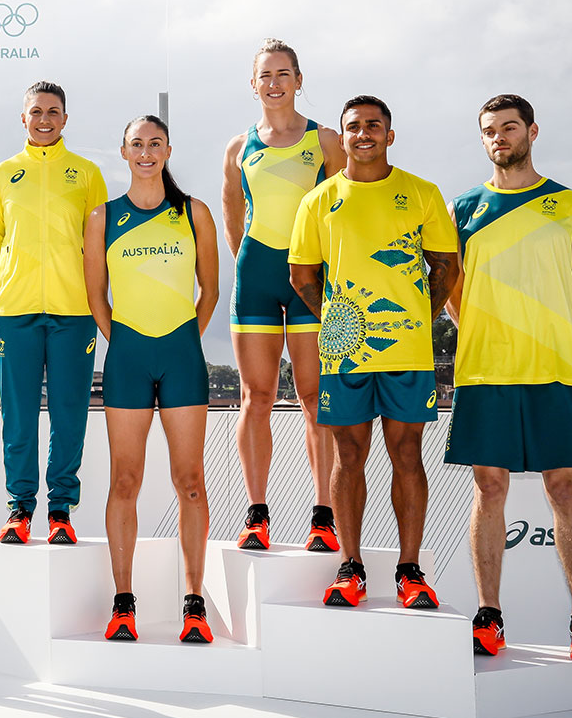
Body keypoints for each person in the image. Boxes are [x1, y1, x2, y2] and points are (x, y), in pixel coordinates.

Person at [444, 94, 572, 661]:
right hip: (485, 372)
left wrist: (558, 342)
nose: (499, 138)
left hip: (552, 373)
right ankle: (489, 617)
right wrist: (486, 336)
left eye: (509, 128)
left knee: (564, 489)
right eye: (489, 130)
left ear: (532, 131)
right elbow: (454, 295)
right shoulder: (463, 208)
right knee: (488, 488)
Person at [288, 95, 460, 609]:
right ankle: (352, 566)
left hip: (406, 352)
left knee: (407, 455)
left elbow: (446, 269)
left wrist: (415, 321)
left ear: (390, 133)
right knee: (349, 456)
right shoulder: (318, 201)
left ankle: (410, 570)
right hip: (346, 354)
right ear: (342, 137)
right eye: (353, 127)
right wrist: (345, 323)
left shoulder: (422, 192)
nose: (363, 134)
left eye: (373, 126)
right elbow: (302, 277)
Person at [85, 116, 219, 643]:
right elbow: (98, 295)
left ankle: (193, 603)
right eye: (137, 144)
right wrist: (126, 344)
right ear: (123, 152)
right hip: (128, 359)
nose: (146, 152)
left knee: (190, 482)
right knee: (125, 481)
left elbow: (209, 289)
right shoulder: (103, 217)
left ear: (168, 150)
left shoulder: (195, 213)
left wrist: (185, 338)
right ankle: (123, 604)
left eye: (155, 144)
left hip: (182, 355)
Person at [222, 38, 344, 552]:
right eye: (264, 75)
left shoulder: (327, 141)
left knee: (316, 398)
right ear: (253, 84)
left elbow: (345, 209)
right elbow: (232, 211)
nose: (273, 84)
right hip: (257, 274)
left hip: (312, 280)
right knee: (257, 397)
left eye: (283, 74)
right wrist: (248, 261)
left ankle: (323, 515)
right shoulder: (238, 147)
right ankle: (257, 514)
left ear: (299, 80)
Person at [0, 81, 108, 545]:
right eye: (36, 111)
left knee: (69, 412)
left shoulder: (87, 174)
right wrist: (18, 279)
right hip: (14, 312)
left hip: (74, 311)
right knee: (18, 416)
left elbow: (96, 244)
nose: (44, 119)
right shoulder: (1, 175)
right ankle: (19, 507)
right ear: (23, 118)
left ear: (65, 119)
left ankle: (60, 509)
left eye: (53, 112)